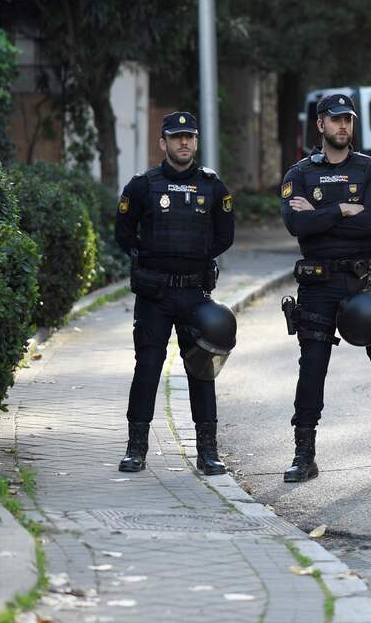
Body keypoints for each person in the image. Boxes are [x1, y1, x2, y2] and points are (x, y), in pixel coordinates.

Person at [278, 93, 371, 482]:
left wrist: (321, 216)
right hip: (318, 283)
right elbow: (297, 226)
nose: (343, 126)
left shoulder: (370, 171)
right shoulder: (298, 175)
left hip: (366, 281)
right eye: (335, 119)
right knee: (312, 368)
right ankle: (303, 455)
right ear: (320, 125)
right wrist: (344, 209)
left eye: (347, 119)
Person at [114, 111, 235, 476]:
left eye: (189, 137)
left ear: (196, 143)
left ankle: (208, 452)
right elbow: (123, 232)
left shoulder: (213, 187)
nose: (183, 142)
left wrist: (195, 258)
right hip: (155, 295)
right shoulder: (142, 185)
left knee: (202, 370)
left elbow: (224, 236)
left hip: (195, 294)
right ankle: (136, 449)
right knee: (148, 368)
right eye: (176, 136)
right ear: (163, 142)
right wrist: (150, 258)